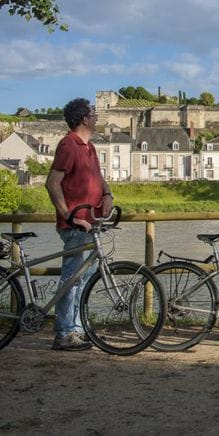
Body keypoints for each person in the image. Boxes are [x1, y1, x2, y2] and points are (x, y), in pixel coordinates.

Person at [45, 98, 113, 351]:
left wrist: (108, 194)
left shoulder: (89, 147)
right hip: (76, 226)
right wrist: (68, 215)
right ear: (84, 119)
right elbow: (52, 183)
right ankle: (64, 333)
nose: (97, 116)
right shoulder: (68, 145)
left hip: (90, 223)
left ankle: (75, 328)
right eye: (94, 113)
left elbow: (99, 177)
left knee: (80, 279)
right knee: (72, 279)